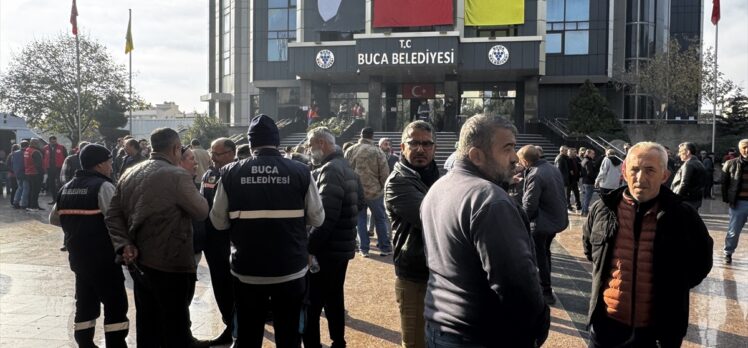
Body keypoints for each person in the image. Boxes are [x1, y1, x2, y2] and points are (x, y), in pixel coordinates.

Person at [420, 115, 549, 347]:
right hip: (480, 334)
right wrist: (538, 325)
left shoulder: (438, 187)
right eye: (507, 149)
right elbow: (515, 283)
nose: (515, 158)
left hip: (439, 327)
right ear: (476, 156)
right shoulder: (490, 199)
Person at [209, 114, 325, 347]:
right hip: (290, 268)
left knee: (248, 336)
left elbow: (218, 221)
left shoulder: (230, 172)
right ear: (277, 141)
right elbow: (317, 218)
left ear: (250, 144)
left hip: (247, 270)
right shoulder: (301, 171)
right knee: (289, 335)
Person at [583, 141, 713, 347]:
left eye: (650, 170)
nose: (640, 178)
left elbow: (701, 263)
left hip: (658, 332)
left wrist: (674, 287)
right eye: (634, 169)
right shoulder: (602, 209)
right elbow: (590, 250)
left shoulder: (683, 216)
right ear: (624, 171)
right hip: (606, 326)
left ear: (664, 175)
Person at [106, 128, 210, 348]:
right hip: (171, 262)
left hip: (139, 262)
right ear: (175, 148)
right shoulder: (177, 175)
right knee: (176, 325)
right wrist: (192, 182)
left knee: (147, 322)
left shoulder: (130, 173)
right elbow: (201, 211)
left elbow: (113, 215)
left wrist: (124, 243)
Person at [49, 144, 129, 348]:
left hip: (78, 259)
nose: (111, 167)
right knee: (115, 305)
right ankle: (116, 344)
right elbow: (117, 220)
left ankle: (84, 343)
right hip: (104, 259)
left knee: (85, 304)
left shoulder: (66, 188)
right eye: (110, 163)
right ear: (100, 164)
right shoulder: (103, 187)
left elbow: (54, 219)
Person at [384, 120, 440, 348]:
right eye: (414, 143)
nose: (420, 149)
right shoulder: (397, 182)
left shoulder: (438, 176)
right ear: (402, 146)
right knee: (416, 341)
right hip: (414, 275)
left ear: (434, 148)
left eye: (427, 144)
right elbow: (433, 220)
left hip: (441, 273)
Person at [303, 127, 360, 348]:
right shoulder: (346, 166)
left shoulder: (330, 170)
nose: (309, 150)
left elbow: (324, 218)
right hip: (340, 247)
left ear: (322, 144)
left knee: (313, 301)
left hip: (327, 248)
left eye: (310, 145)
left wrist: (309, 248)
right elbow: (360, 202)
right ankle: (338, 341)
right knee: (334, 297)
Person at [517, 145, 569, 305]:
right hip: (555, 219)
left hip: (542, 223)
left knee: (539, 256)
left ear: (525, 161)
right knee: (545, 253)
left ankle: (545, 290)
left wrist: (521, 222)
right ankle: (546, 286)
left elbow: (530, 204)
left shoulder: (536, 174)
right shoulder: (550, 168)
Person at [199, 137, 237, 345]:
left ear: (231, 153)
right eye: (211, 153)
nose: (212, 158)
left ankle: (237, 328)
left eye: (217, 154)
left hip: (230, 240)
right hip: (211, 240)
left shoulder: (237, 173)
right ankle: (229, 325)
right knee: (220, 286)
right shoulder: (209, 174)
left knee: (234, 287)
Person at [344, 127, 391, 257]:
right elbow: (384, 173)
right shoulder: (377, 151)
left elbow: (345, 170)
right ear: (372, 136)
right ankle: (384, 247)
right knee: (380, 219)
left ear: (361, 134)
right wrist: (383, 187)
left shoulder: (350, 150)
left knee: (360, 220)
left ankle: (364, 249)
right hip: (374, 192)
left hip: (356, 191)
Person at [721, 138, 748, 265]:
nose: (746, 149)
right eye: (744, 147)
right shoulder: (731, 164)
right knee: (734, 231)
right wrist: (728, 199)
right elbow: (724, 184)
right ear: (739, 149)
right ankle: (728, 253)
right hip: (739, 203)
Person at [671, 142, 706, 211]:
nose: (679, 154)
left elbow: (684, 183)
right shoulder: (699, 163)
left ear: (688, 152)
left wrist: (676, 198)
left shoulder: (689, 164)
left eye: (681, 151)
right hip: (694, 199)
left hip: (685, 200)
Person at [43, 136, 68, 204]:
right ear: (49, 141)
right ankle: (54, 199)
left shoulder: (62, 147)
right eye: (52, 141)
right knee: (51, 184)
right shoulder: (45, 148)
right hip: (49, 168)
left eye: (54, 141)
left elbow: (66, 157)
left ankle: (61, 199)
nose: (53, 143)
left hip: (59, 168)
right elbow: (43, 158)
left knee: (59, 183)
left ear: (56, 140)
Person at [24, 138, 44, 211]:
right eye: (38, 143)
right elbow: (38, 165)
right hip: (36, 173)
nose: (39, 144)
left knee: (31, 190)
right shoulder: (35, 152)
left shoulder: (27, 150)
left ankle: (31, 206)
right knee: (35, 190)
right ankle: (34, 206)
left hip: (28, 173)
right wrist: (42, 173)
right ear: (35, 143)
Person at [581, 149, 599, 216]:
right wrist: (595, 178)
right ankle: (585, 211)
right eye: (593, 153)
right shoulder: (589, 161)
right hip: (589, 182)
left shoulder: (584, 160)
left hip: (584, 181)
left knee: (585, 197)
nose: (594, 155)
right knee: (587, 197)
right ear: (588, 154)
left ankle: (583, 210)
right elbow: (590, 172)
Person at [11, 141, 29, 209]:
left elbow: (12, 163)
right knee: (26, 189)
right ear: (27, 145)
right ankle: (24, 204)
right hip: (25, 173)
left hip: (17, 173)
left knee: (20, 188)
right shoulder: (26, 153)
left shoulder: (14, 153)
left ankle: (15, 202)